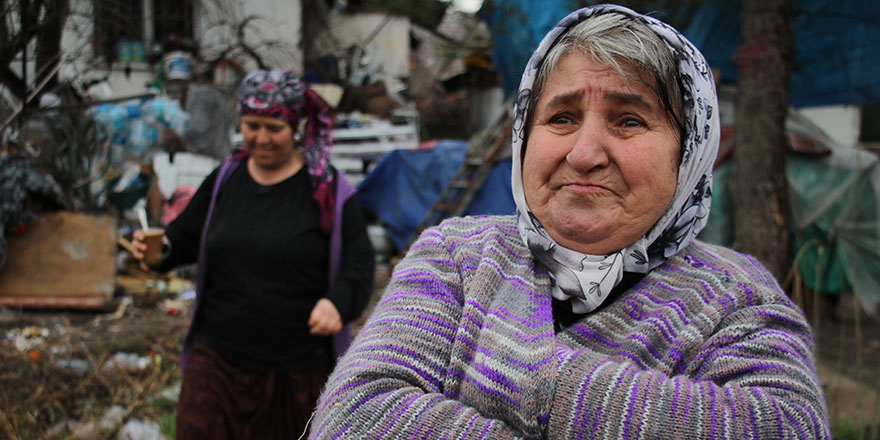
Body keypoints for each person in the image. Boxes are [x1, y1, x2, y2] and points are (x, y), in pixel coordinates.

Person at [310, 5, 829, 439]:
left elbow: (785, 425)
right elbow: (354, 416)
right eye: (561, 118)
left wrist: (511, 376)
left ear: (688, 153)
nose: (583, 154)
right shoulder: (455, 257)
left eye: (630, 119)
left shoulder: (739, 299)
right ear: (524, 138)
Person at [129, 68, 375, 439]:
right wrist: (159, 249)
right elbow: (185, 236)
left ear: (295, 127)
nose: (261, 138)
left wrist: (338, 304)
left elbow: (359, 265)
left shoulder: (328, 190)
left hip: (296, 371)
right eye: (251, 125)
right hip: (217, 362)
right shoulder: (225, 180)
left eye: (274, 128)